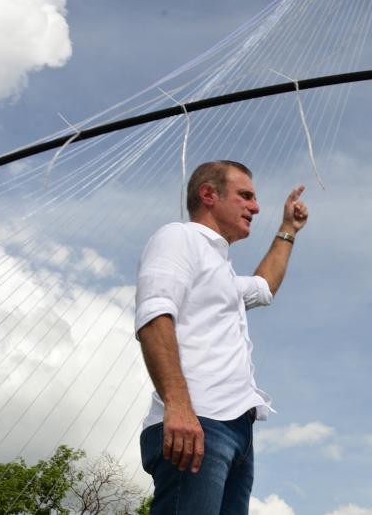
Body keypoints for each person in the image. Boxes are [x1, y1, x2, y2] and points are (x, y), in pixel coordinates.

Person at [135, 160, 308, 514]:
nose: (256, 207)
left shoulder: (222, 272)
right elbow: (154, 315)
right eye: (245, 196)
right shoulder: (179, 237)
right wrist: (179, 405)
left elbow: (263, 287)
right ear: (209, 194)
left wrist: (288, 228)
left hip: (237, 431)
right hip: (197, 421)